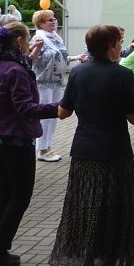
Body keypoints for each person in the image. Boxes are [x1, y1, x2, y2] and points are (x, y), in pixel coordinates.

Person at [50, 25, 134, 266]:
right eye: (119, 43)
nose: (121, 47)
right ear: (110, 46)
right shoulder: (123, 75)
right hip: (114, 151)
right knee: (113, 209)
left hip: (84, 151)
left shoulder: (78, 72)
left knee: (85, 209)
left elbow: (63, 112)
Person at [0, 22, 60, 266]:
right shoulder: (16, 70)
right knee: (19, 196)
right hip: (15, 139)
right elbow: (25, 108)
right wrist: (59, 107)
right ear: (19, 42)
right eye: (27, 40)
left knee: (2, 193)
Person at [31, 9, 87, 163]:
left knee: (54, 114)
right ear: (41, 24)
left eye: (54, 19)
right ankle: (42, 149)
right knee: (44, 116)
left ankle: (48, 146)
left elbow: (61, 57)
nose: (54, 21)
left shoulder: (56, 38)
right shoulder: (38, 37)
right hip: (43, 82)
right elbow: (31, 59)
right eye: (50, 19)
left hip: (56, 81)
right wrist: (36, 48)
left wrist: (77, 58)